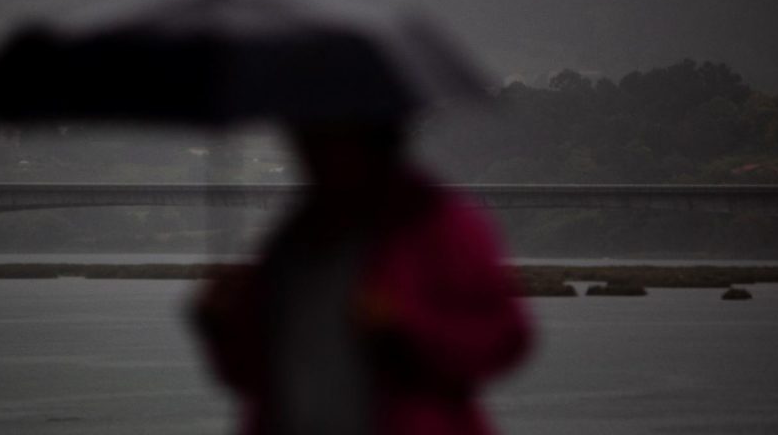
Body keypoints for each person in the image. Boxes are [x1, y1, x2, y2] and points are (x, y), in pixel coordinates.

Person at [192, 123, 532, 435]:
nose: (303, 149)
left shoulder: (442, 226)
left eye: (321, 137)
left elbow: (504, 338)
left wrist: (405, 330)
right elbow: (259, 373)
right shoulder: (293, 237)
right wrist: (222, 328)